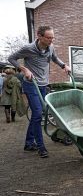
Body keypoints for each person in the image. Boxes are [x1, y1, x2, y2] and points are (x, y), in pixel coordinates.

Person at [8, 26, 71, 158]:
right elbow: (11, 58)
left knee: (38, 114)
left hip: (43, 85)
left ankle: (29, 143)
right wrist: (23, 69)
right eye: (48, 37)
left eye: (52, 37)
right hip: (31, 84)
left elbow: (54, 58)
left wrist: (64, 65)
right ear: (39, 36)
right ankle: (40, 146)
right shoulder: (28, 49)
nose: (51, 40)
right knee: (37, 113)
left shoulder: (51, 47)